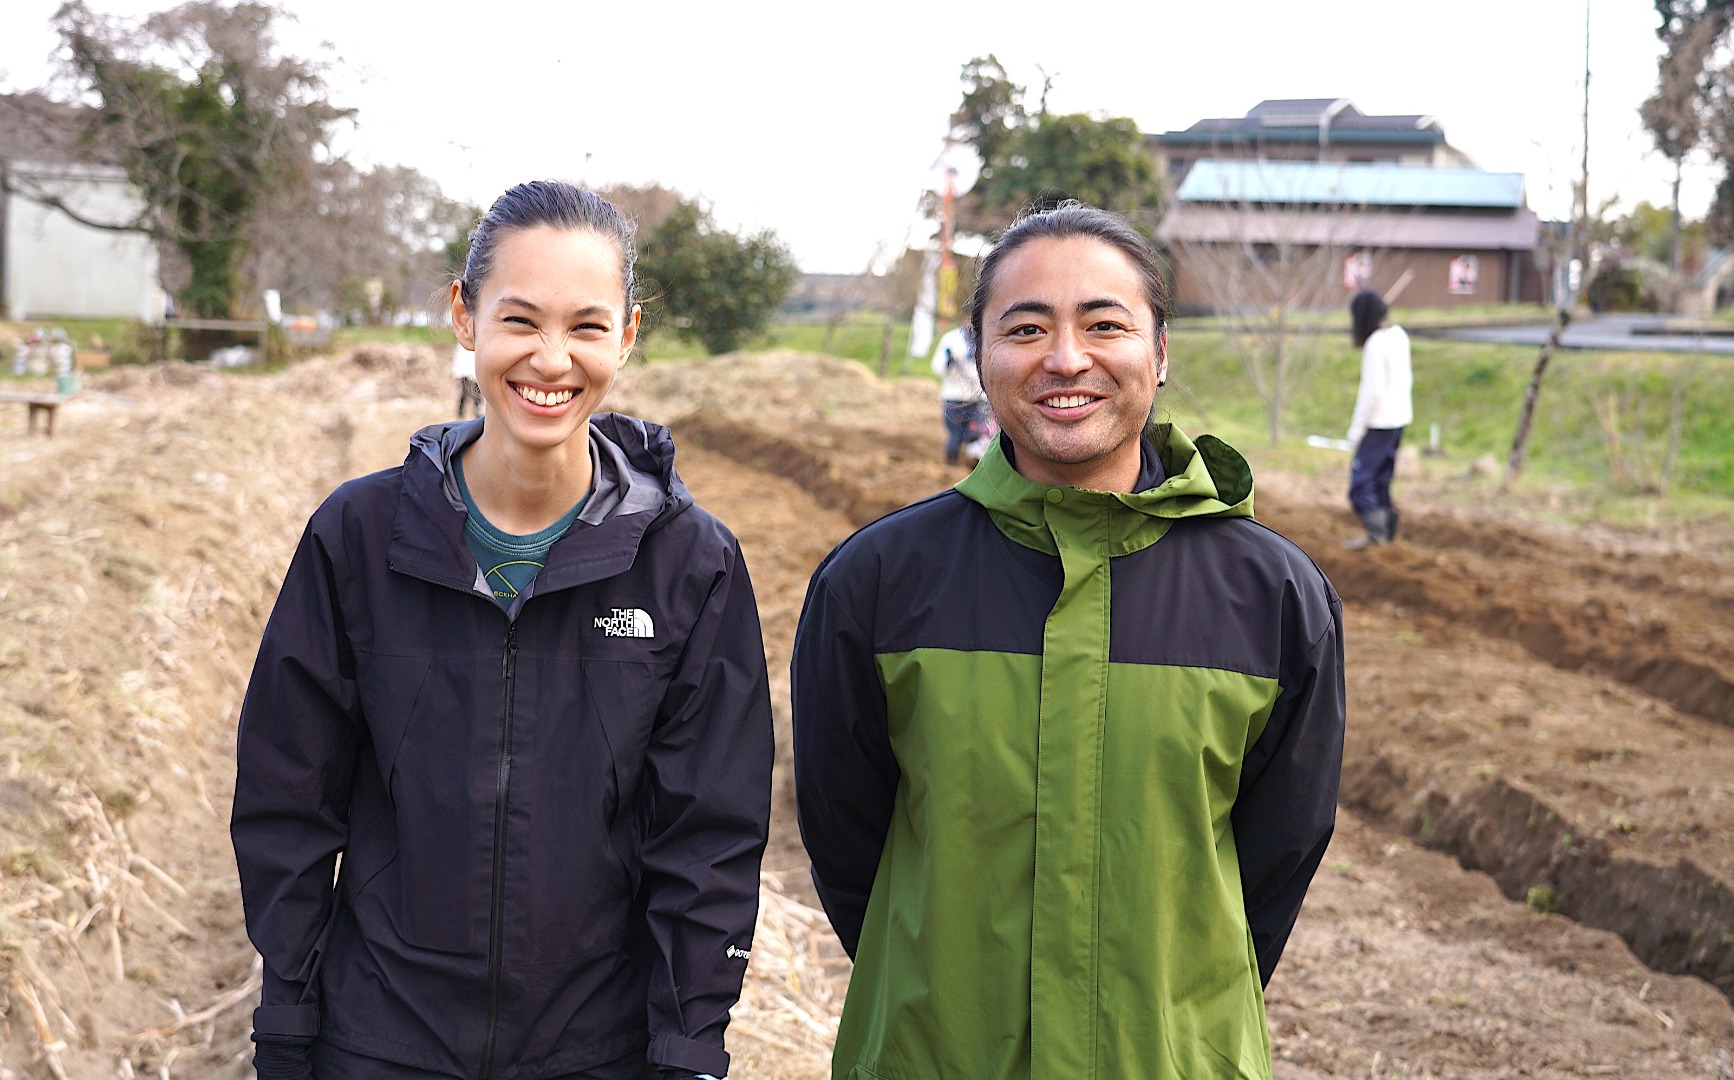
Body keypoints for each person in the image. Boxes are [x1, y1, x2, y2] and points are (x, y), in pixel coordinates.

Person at [792, 202, 1345, 1080]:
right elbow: (848, 841)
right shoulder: (877, 583)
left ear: (1160, 353)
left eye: (1104, 324)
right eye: (1026, 327)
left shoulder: (1271, 596)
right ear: (979, 355)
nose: (1065, 358)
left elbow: (1275, 860)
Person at [233, 181, 773, 1080]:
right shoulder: (359, 537)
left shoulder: (690, 562)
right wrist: (289, 1013)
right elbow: (288, 800)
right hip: (378, 1039)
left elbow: (709, 834)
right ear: (463, 315)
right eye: (520, 319)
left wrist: (688, 1047)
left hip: (595, 1048)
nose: (552, 359)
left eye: (588, 327)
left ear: (628, 335)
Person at [1342, 290, 1413, 548]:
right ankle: (1387, 538)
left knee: (1360, 486)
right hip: (1398, 420)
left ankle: (1377, 536)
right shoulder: (1399, 335)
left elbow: (1371, 393)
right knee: (1382, 480)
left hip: (1379, 423)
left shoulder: (1375, 343)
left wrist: (1355, 431)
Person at [930, 318, 990, 467]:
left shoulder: (986, 337)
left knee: (976, 437)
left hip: (979, 397)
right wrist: (948, 362)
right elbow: (937, 367)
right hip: (955, 398)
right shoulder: (951, 339)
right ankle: (951, 468)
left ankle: (974, 472)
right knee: (955, 436)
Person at [452, 339, 482, 418]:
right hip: (464, 373)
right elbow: (458, 360)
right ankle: (460, 412)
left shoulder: (478, 343)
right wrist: (457, 373)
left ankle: (476, 412)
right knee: (464, 393)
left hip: (475, 374)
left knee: (477, 394)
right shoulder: (462, 345)